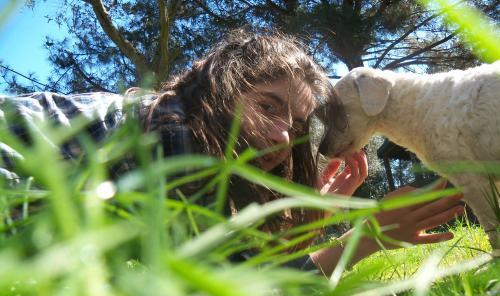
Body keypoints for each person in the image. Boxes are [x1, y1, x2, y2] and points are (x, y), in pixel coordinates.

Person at [0, 31, 464, 277]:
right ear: (219, 90)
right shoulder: (172, 133)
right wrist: (368, 238)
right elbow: (239, 295)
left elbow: (240, 261)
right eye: (267, 106)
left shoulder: (178, 135)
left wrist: (307, 213)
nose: (284, 139)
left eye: (298, 126)